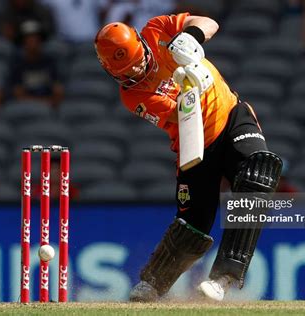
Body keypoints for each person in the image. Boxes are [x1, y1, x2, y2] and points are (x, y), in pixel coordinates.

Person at [94, 13, 283, 302]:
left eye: (140, 61)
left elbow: (209, 22)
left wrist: (191, 38)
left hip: (231, 117)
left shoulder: (156, 29)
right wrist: (193, 84)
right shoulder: (133, 96)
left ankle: (224, 277)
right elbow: (183, 115)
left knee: (258, 173)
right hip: (193, 141)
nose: (140, 72)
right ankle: (153, 284)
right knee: (192, 225)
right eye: (128, 72)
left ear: (142, 43)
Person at [10, 20, 64, 107]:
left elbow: (58, 92)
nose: (32, 42)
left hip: (49, 109)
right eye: (29, 39)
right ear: (23, 43)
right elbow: (19, 95)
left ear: (40, 41)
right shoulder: (17, 65)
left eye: (35, 39)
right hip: (26, 109)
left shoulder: (50, 62)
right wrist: (42, 102)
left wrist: (49, 102)